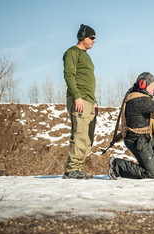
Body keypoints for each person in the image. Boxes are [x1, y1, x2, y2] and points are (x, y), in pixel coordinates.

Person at [62, 24, 98, 179]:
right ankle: (71, 170)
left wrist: (94, 101)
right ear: (82, 36)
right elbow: (69, 75)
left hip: (89, 101)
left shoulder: (87, 56)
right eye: (92, 38)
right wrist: (77, 97)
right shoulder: (72, 52)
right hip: (79, 99)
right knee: (80, 135)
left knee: (88, 138)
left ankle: (78, 168)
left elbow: (87, 80)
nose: (94, 41)